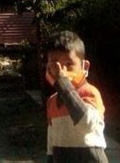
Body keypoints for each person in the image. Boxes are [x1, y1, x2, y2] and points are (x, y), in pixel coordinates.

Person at [44, 30, 108, 162]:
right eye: (55, 65)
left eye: (68, 64)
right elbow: (51, 141)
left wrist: (63, 84)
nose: (63, 72)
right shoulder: (52, 102)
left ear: (85, 66)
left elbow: (87, 124)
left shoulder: (90, 93)